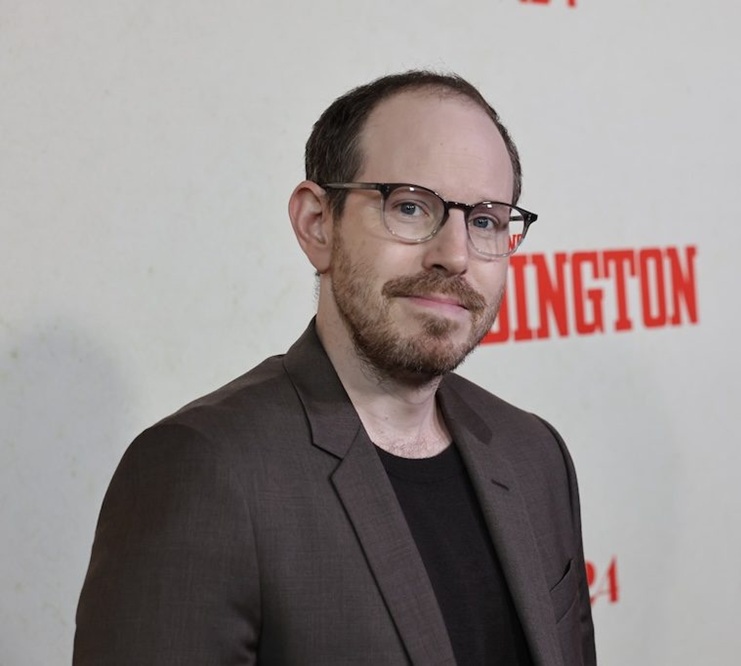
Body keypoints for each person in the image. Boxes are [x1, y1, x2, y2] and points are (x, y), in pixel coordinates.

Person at [74, 70, 596, 665]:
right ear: (317, 224)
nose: (454, 256)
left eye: (485, 221)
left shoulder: (534, 454)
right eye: (410, 206)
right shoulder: (203, 472)